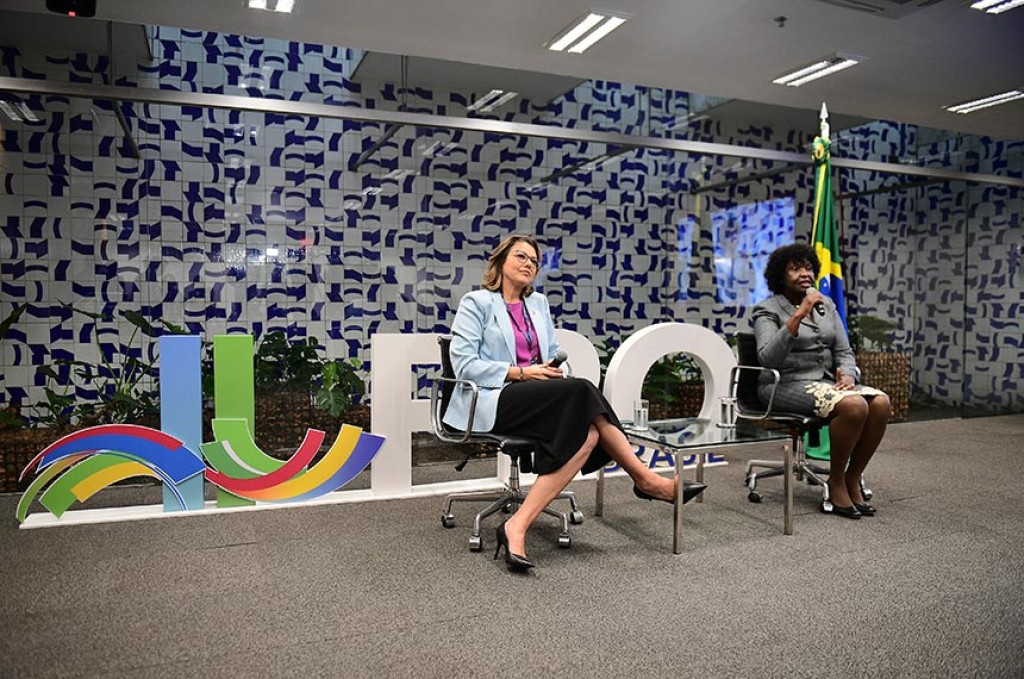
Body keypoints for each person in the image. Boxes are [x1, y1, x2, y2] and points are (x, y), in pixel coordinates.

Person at [445, 233, 706, 572]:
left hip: (536, 395)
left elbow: (554, 352)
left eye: (534, 261)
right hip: (491, 397)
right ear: (500, 261)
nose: (529, 264)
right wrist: (523, 373)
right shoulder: (477, 303)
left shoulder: (537, 304)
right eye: (521, 256)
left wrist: (556, 371)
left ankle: (516, 526)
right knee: (582, 392)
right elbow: (465, 365)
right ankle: (646, 480)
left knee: (590, 431)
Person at [752, 243, 891, 520]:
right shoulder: (767, 310)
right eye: (795, 269)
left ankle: (852, 477)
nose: (805, 273)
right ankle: (836, 482)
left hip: (826, 383)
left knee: (881, 403)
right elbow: (768, 357)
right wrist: (799, 313)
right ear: (780, 276)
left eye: (808, 268)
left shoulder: (826, 304)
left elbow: (844, 351)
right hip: (781, 385)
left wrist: (848, 374)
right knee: (854, 406)